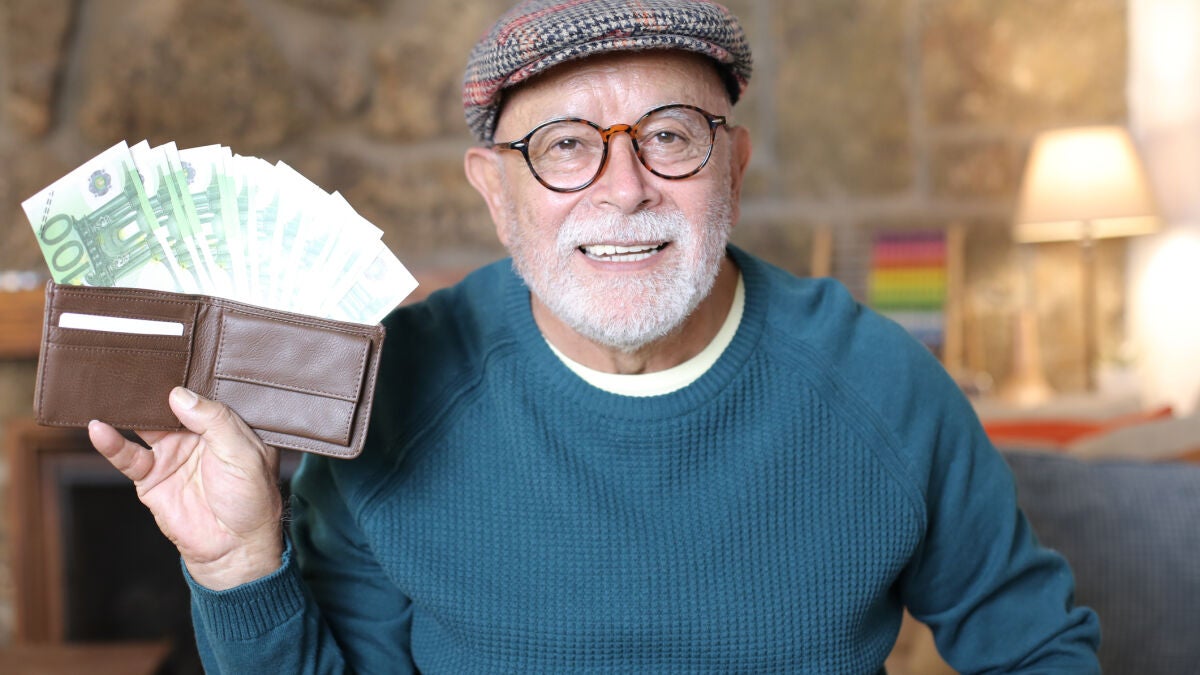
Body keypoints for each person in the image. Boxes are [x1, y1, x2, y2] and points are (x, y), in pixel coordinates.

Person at [87, 0, 1101, 672]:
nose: (624, 189)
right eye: (565, 145)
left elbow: (1037, 651)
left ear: (733, 166)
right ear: (497, 193)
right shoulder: (390, 393)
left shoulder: (884, 386)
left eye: (671, 136)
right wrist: (238, 564)